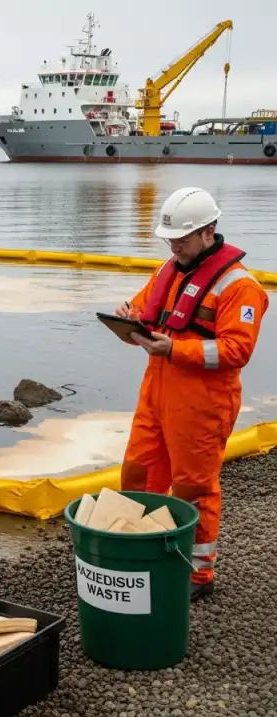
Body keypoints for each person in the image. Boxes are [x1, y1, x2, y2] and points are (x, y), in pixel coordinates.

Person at [115, 186, 268, 601]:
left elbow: (237, 351)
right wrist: (128, 323)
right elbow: (145, 316)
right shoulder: (169, 271)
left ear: (208, 232)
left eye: (181, 239)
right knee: (138, 472)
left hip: (203, 404)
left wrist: (175, 349)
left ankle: (198, 573)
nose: (174, 246)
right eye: (170, 239)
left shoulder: (240, 287)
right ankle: (141, 549)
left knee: (193, 487)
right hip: (156, 393)